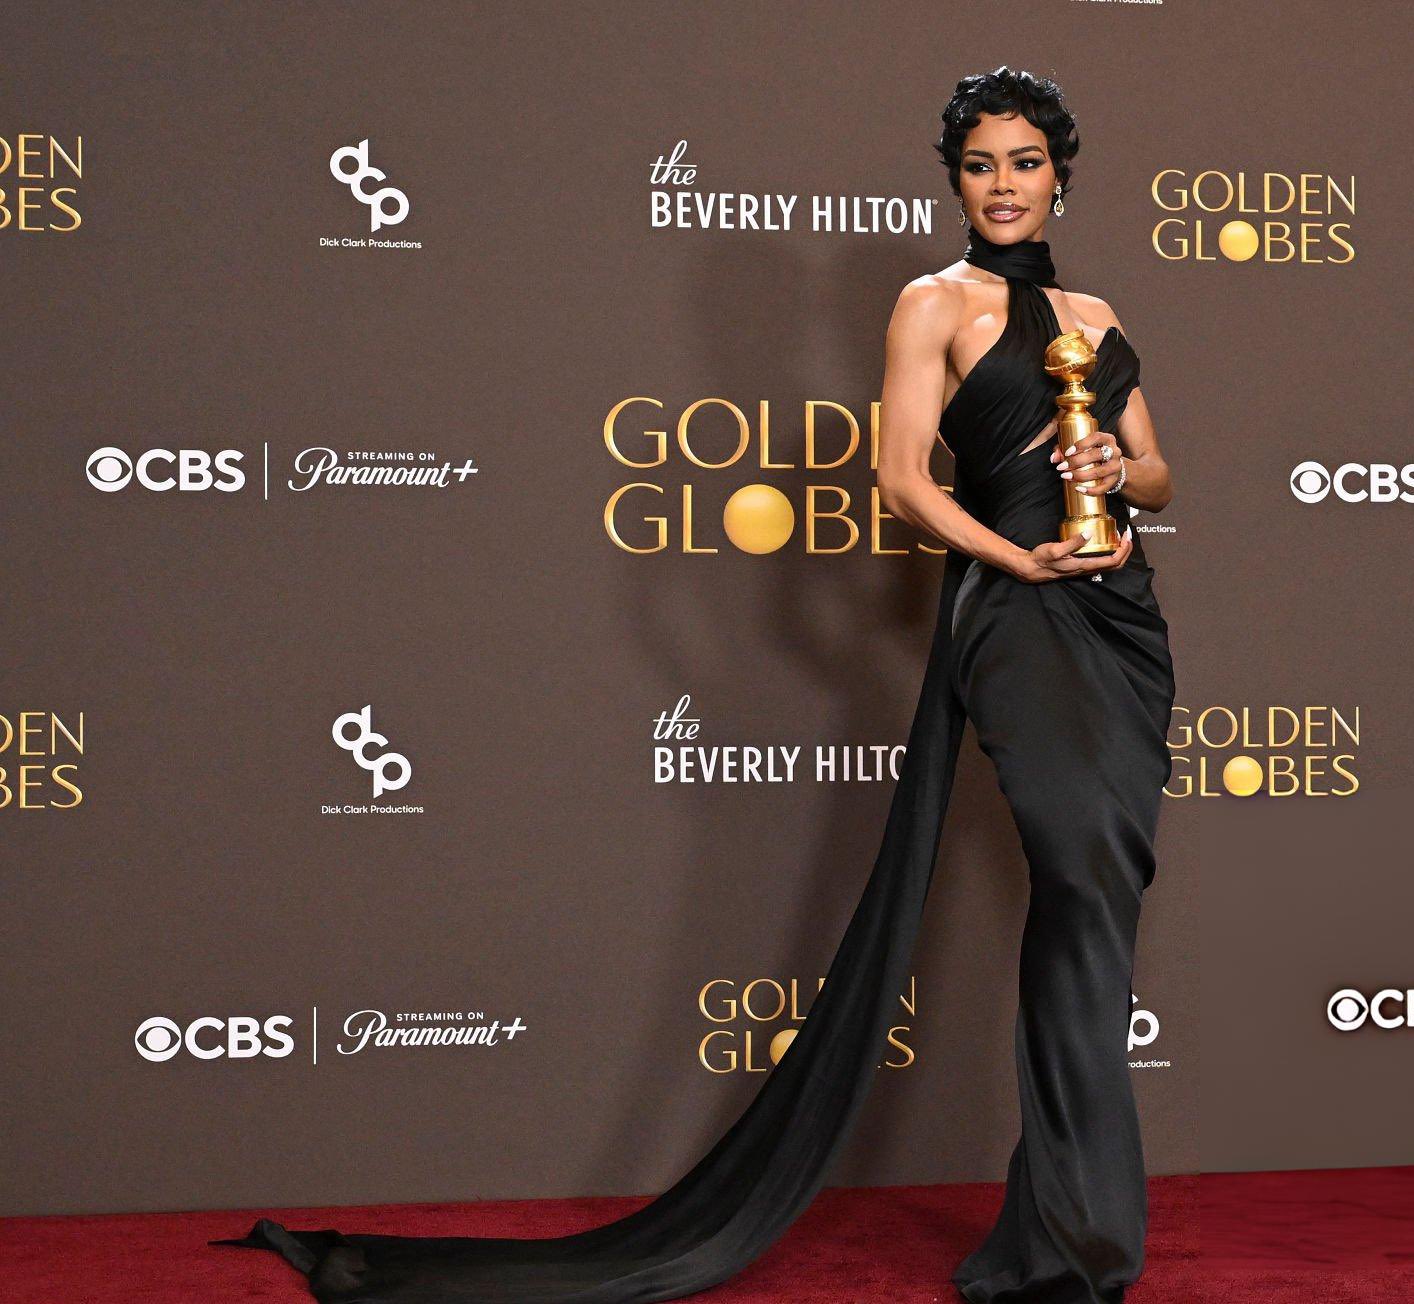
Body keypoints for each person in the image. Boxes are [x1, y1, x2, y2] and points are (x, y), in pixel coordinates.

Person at [211, 63, 1175, 1304]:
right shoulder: (931, 302)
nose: (1003, 184)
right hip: (1014, 612)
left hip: (1121, 622)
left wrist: (1116, 471)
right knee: (1075, 876)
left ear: (1059, 176)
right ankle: (1072, 1235)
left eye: (1024, 163)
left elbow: (1158, 474)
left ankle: (1072, 1229)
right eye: (980, 164)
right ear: (953, 181)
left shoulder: (1095, 311)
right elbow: (901, 479)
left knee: (1099, 901)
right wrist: (1014, 556)